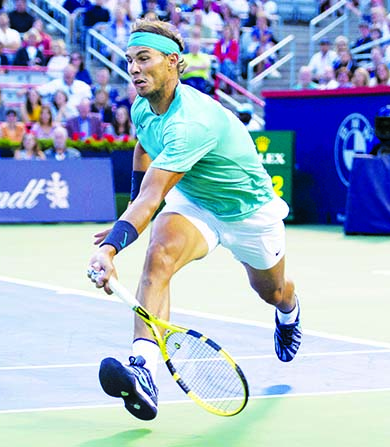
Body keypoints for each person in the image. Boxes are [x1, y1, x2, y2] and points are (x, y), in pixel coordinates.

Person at [86, 18, 301, 422]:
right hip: (197, 205)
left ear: (172, 62)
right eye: (129, 60)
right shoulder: (142, 106)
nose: (133, 68)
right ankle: (144, 368)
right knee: (159, 255)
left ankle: (289, 310)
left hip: (248, 214)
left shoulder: (193, 122)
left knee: (271, 291)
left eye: (143, 59)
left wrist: (113, 245)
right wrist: (134, 214)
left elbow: (154, 195)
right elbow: (143, 152)